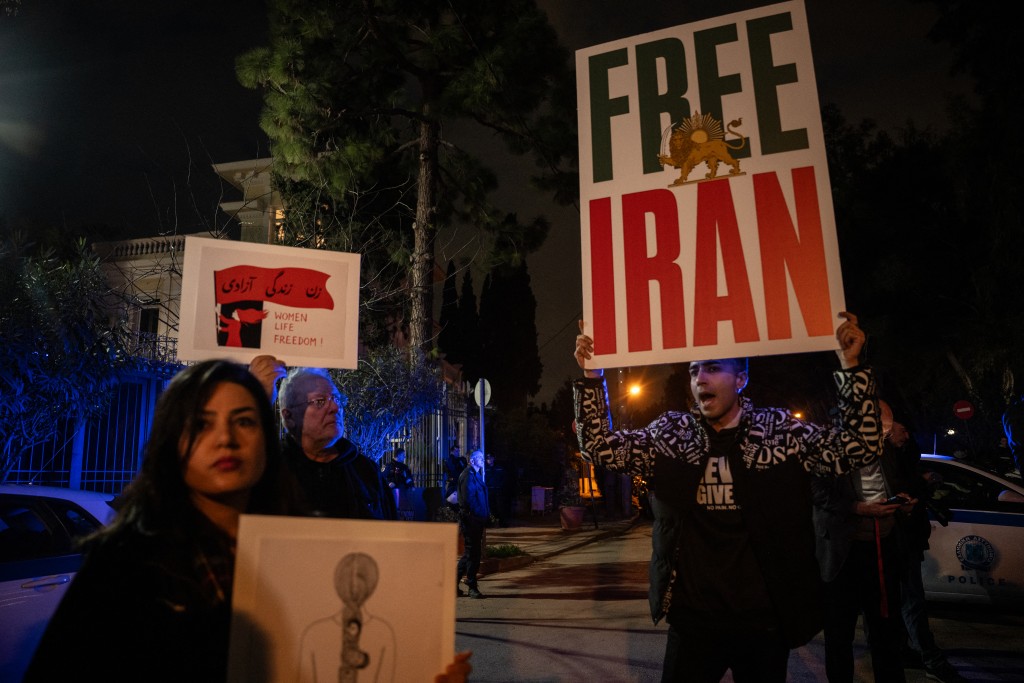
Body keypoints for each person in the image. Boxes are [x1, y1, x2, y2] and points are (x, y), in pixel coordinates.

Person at [572, 312, 882, 683]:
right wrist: (593, 376)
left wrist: (851, 366)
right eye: (693, 370)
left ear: (741, 379)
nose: (699, 378)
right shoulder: (672, 433)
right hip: (693, 621)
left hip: (764, 621)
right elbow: (598, 449)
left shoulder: (778, 431)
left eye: (713, 368)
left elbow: (860, 447)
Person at [24, 360, 301, 681]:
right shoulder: (123, 562)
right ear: (172, 443)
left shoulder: (295, 550)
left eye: (245, 421)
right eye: (201, 424)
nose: (226, 438)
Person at [811, 400, 916, 682]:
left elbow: (894, 482)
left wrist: (903, 502)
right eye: (876, 430)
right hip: (843, 553)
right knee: (839, 634)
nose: (882, 437)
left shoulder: (886, 450)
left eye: (884, 431)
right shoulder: (829, 449)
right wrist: (858, 508)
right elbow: (816, 493)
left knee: (886, 631)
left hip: (884, 549)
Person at [887, 419, 967, 683]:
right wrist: (920, 486)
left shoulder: (902, 460)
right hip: (899, 541)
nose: (907, 435)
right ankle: (932, 661)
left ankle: (903, 650)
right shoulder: (888, 465)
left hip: (907, 540)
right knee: (912, 602)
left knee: (903, 602)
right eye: (902, 431)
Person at [276, 366, 396, 520]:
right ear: (289, 417)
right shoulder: (271, 471)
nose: (335, 407)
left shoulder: (365, 470)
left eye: (336, 399)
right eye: (320, 401)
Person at [456, 449, 489, 599]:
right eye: (479, 458)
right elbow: (468, 501)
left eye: (482, 457)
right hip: (471, 521)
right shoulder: (468, 476)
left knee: (469, 554)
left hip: (477, 520)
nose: (483, 460)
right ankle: (471, 586)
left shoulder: (475, 475)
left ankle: (453, 584)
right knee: (473, 555)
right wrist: (477, 516)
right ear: (472, 461)